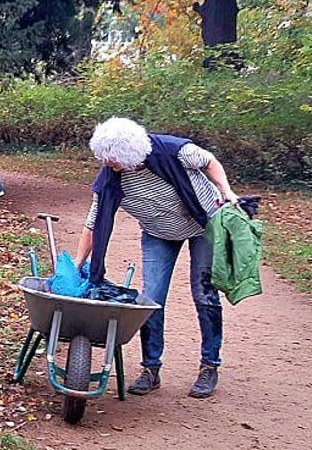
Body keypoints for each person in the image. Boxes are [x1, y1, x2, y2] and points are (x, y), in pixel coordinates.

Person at [74, 117, 239, 399]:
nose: (107, 164)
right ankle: (151, 369)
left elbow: (209, 161)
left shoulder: (175, 151)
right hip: (158, 233)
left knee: (204, 295)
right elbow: (94, 223)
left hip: (204, 225)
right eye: (103, 158)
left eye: (112, 159)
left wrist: (226, 191)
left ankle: (209, 365)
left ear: (130, 154)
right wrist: (77, 265)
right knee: (151, 299)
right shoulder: (110, 179)